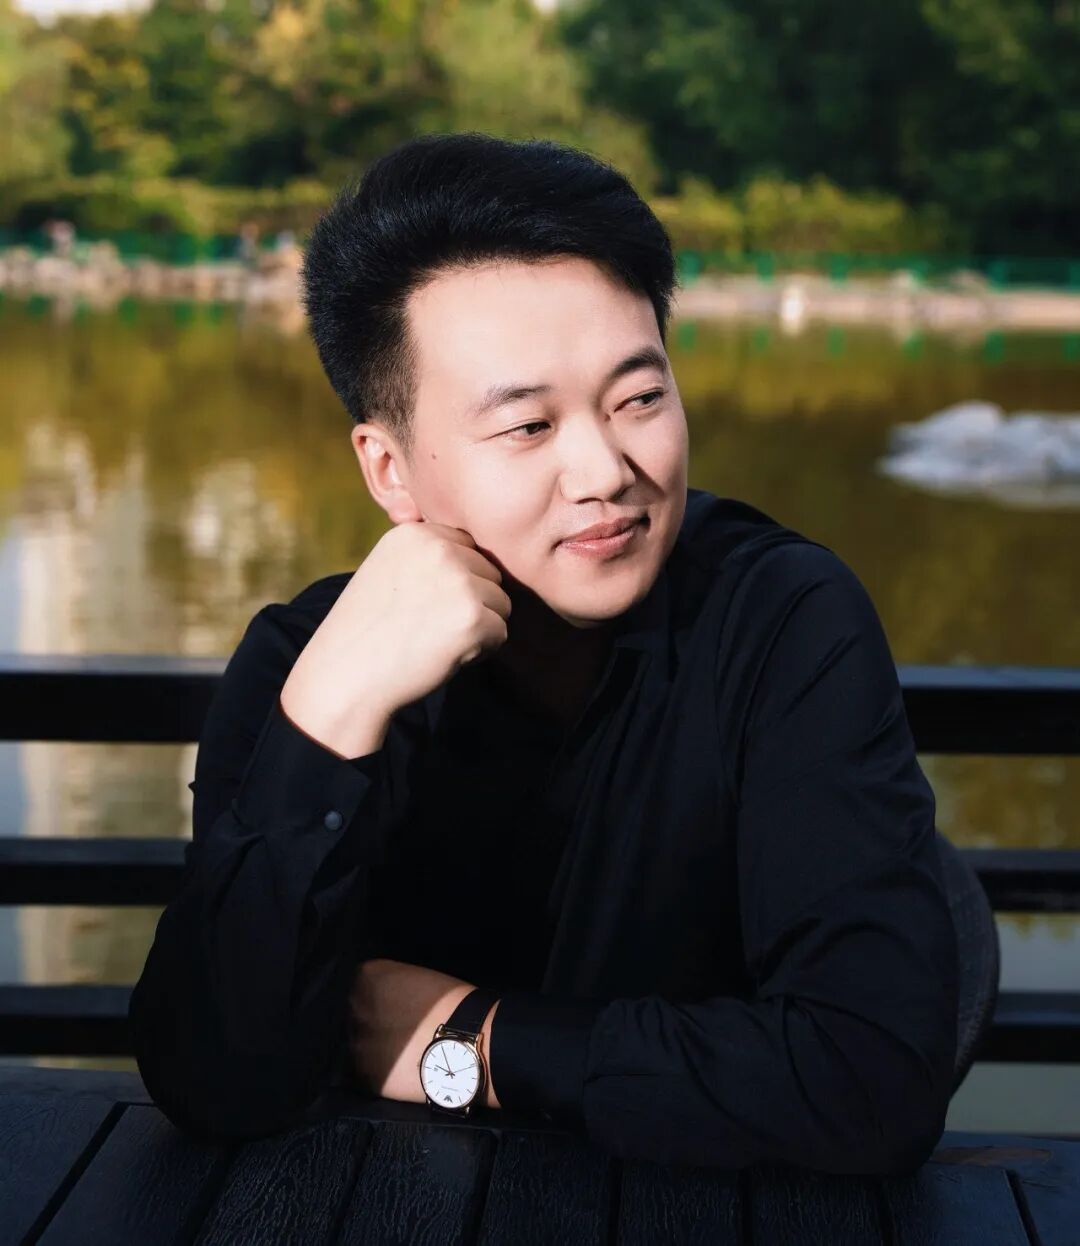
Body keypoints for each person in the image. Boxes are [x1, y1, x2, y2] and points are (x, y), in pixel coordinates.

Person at [129, 132, 959, 1174]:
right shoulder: (313, 663)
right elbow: (215, 1079)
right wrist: (329, 721)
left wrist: (472, 1041)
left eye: (639, 398)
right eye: (527, 426)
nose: (605, 470)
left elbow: (874, 1081)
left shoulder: (783, 622)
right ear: (389, 470)